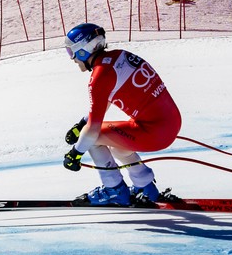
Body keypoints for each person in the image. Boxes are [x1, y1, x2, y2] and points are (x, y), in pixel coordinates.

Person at [61, 23, 182, 207]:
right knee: (116, 143)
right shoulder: (118, 56)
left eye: (72, 52)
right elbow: (106, 101)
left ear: (83, 50)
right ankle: (145, 186)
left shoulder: (100, 77)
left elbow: (93, 130)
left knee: (93, 138)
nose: (72, 59)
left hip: (154, 133)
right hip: (168, 124)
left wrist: (75, 153)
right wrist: (81, 124)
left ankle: (114, 190)